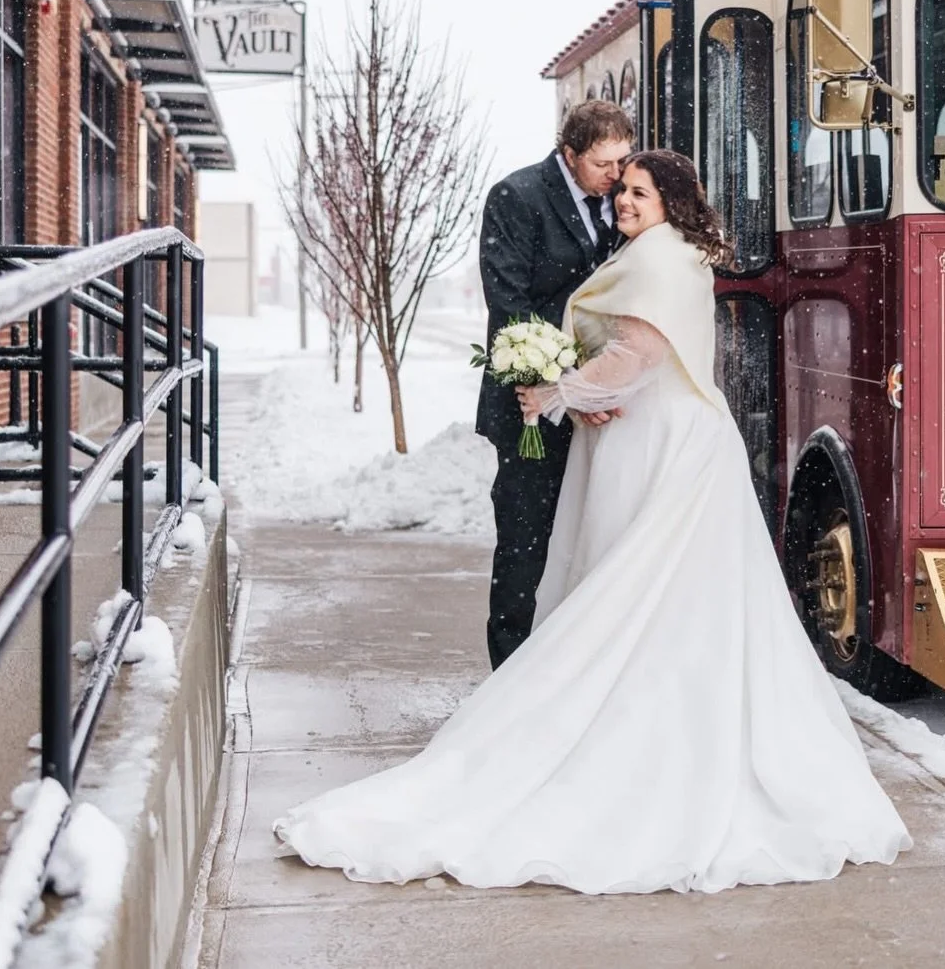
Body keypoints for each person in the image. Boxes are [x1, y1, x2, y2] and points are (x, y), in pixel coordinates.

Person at [273, 149, 911, 895]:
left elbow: (638, 352)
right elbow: (630, 354)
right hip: (651, 435)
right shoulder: (665, 253)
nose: (625, 204)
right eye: (621, 193)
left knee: (639, 597)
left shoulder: (662, 261)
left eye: (639, 192)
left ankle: (641, 749)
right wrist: (578, 385)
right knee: (666, 605)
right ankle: (666, 740)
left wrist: (555, 392)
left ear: (671, 198)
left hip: (666, 446)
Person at [474, 100, 631, 669]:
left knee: (588, 540)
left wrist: (598, 386)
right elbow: (510, 306)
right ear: (570, 155)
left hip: (603, 401)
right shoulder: (517, 197)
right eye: (602, 164)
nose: (616, 175)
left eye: (622, 161)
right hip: (530, 407)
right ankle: (510, 673)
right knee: (525, 543)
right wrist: (563, 389)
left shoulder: (624, 199)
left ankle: (576, 668)